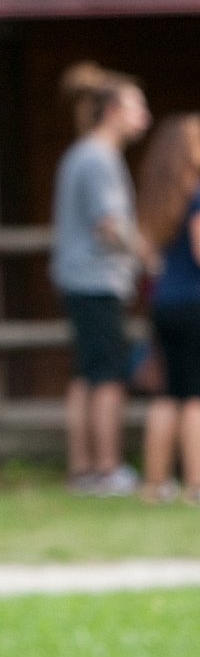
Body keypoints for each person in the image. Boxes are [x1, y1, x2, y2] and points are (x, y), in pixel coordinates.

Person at [50, 61, 150, 496]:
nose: (144, 115)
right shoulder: (97, 158)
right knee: (107, 376)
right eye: (136, 106)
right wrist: (148, 256)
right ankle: (106, 469)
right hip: (97, 280)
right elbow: (110, 225)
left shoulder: (84, 154)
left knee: (86, 375)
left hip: (79, 279)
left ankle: (83, 469)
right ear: (112, 111)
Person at [136, 113, 200, 504]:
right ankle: (196, 483)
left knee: (167, 393)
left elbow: (147, 255)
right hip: (195, 301)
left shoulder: (156, 197)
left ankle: (155, 484)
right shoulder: (197, 193)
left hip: (164, 303)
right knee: (195, 396)